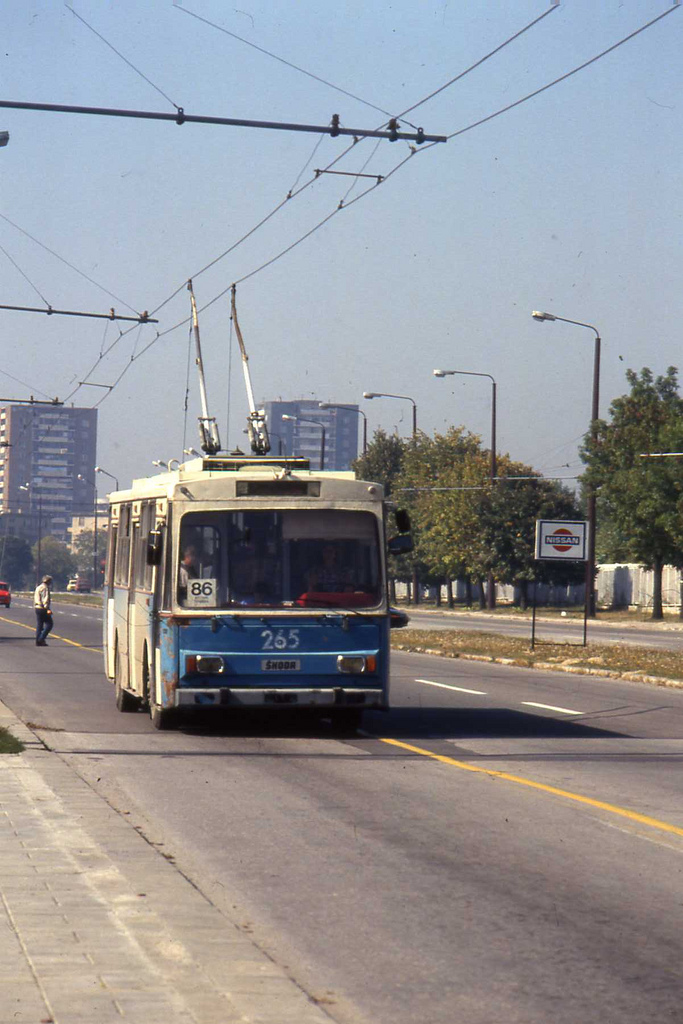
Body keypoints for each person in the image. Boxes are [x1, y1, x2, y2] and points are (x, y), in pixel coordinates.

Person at [34, 575, 53, 646]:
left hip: (37, 607)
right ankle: (41, 639)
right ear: (48, 581)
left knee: (40, 625)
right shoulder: (45, 588)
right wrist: (47, 609)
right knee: (49, 624)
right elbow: (45, 599)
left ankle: (38, 641)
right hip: (43, 608)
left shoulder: (38, 587)